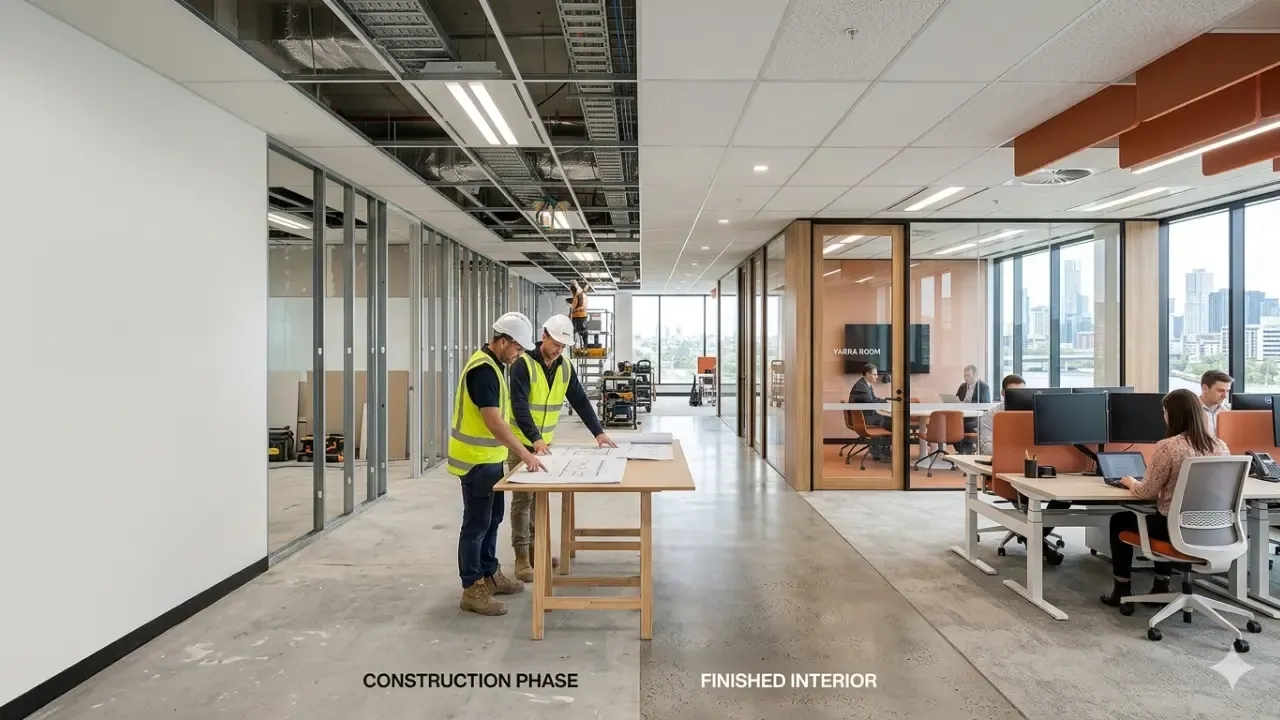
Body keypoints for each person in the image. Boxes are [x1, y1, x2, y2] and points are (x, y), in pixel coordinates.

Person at [448, 311, 548, 617]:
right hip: (475, 463)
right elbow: (493, 422)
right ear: (502, 341)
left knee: (492, 520)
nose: (518, 354)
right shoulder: (484, 371)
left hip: (491, 460)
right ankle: (472, 587)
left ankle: (490, 573)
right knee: (476, 524)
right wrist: (526, 452)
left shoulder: (493, 365)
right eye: (516, 348)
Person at [508, 314, 616, 581]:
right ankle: (521, 559)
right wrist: (534, 438)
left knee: (539, 500)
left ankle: (536, 552)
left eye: (563, 346)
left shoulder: (564, 367)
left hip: (545, 444)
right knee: (523, 501)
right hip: (522, 443)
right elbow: (519, 405)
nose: (558, 350)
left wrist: (598, 432)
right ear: (544, 336)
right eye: (555, 343)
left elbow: (579, 399)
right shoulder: (522, 365)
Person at [1100, 388, 1230, 608]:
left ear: (1172, 415)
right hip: (1214, 529)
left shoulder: (1168, 447)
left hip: (1175, 530)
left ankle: (1121, 590)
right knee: (1159, 514)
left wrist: (1130, 482)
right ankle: (1161, 584)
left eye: (1165, 411)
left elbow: (1146, 492)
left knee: (1121, 520)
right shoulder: (1220, 447)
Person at [848, 363, 889, 461]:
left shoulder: (865, 385)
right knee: (892, 422)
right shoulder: (861, 388)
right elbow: (869, 404)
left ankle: (879, 450)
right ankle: (879, 451)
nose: (877, 376)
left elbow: (873, 400)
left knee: (889, 420)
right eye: (875, 374)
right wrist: (882, 404)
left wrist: (883, 401)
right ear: (867, 374)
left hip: (866, 416)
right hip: (863, 419)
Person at [977, 374, 1024, 456]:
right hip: (1003, 458)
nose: (1018, 396)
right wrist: (1010, 452)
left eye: (1022, 392)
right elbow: (986, 447)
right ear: (1003, 393)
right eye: (1013, 393)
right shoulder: (991, 415)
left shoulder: (1034, 412)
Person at [953, 365, 991, 454]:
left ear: (975, 375)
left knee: (966, 425)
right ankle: (960, 449)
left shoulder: (983, 387)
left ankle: (966, 449)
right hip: (963, 415)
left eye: (968, 376)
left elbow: (985, 405)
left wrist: (969, 405)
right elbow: (956, 400)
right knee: (953, 424)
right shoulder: (962, 386)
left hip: (976, 416)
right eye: (964, 376)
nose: (966, 378)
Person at [1199, 369, 1232, 435]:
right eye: (1220, 390)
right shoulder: (1190, 411)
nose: (1225, 396)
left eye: (1227, 391)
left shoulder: (1228, 411)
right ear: (1205, 388)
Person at [569, 280, 589, 347]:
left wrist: (574, 311)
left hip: (581, 317)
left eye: (573, 287)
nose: (572, 289)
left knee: (583, 332)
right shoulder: (577, 295)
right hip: (577, 317)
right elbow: (573, 307)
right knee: (576, 332)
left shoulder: (580, 295)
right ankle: (576, 347)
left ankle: (585, 347)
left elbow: (583, 307)